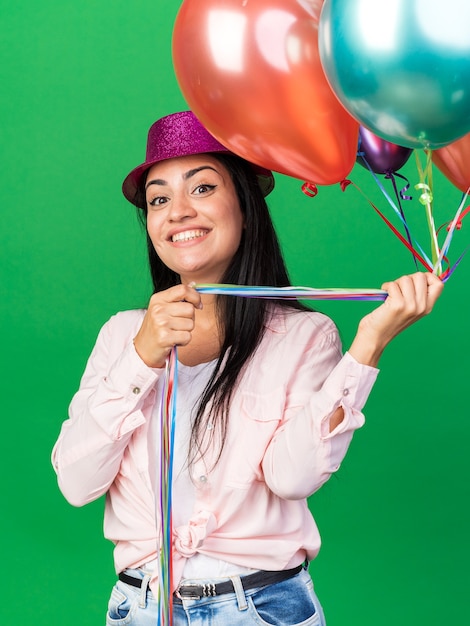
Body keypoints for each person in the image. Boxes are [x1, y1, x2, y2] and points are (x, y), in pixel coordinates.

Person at [52, 110, 443, 626]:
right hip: (140, 609)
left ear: (244, 202)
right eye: (159, 199)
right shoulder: (121, 334)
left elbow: (293, 477)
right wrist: (141, 357)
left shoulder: (307, 335)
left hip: (261, 609)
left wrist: (368, 345)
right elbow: (76, 483)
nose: (178, 212)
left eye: (203, 188)